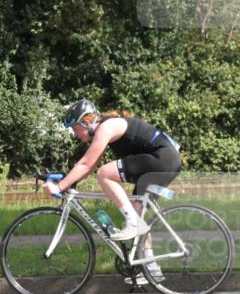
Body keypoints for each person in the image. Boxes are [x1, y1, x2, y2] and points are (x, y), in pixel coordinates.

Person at [44, 99, 182, 244]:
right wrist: (68, 182)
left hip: (162, 159)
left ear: (86, 121)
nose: (73, 133)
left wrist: (59, 186)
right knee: (137, 218)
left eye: (74, 127)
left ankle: (133, 223)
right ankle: (148, 264)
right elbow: (88, 167)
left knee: (104, 174)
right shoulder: (106, 128)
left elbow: (86, 164)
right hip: (168, 162)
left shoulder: (107, 127)